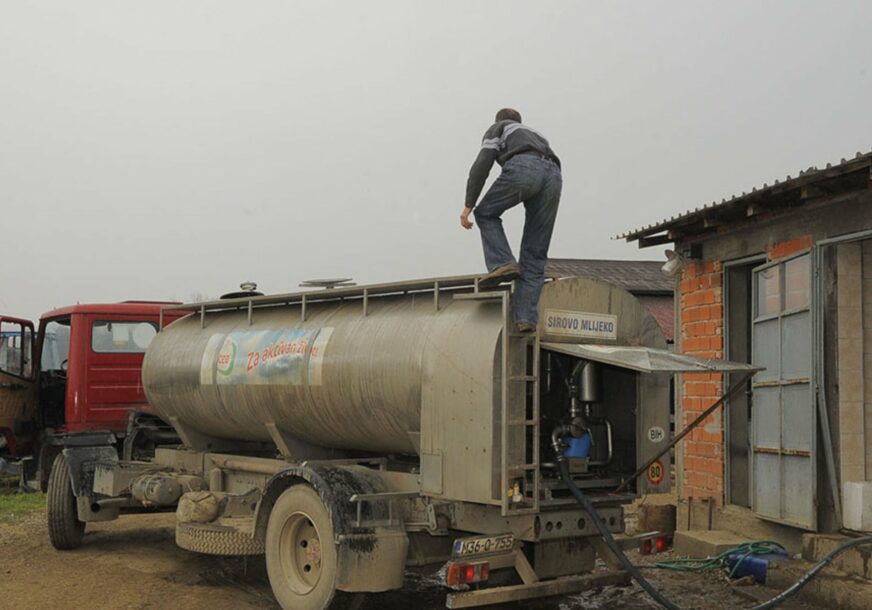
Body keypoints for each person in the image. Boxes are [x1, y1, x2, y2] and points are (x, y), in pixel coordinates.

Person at [460, 108, 562, 333]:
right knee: (535, 253)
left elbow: (482, 164)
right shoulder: (537, 135)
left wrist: (469, 204)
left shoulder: (499, 127)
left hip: (526, 168)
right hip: (554, 175)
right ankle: (525, 318)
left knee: (485, 213)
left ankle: (502, 263)